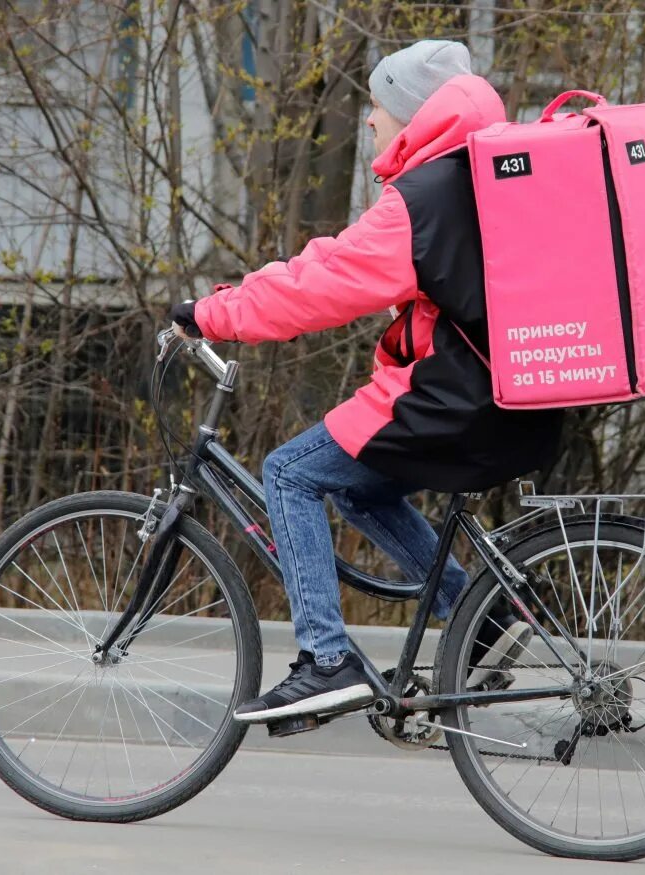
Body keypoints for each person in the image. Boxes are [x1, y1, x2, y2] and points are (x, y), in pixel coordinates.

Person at [170, 40, 564, 723]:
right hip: (511, 398)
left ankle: (326, 659)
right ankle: (483, 615)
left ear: (411, 113)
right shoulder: (472, 174)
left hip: (454, 399)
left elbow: (319, 288)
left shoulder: (426, 195)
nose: (371, 123)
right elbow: (332, 262)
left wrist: (213, 313)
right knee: (357, 489)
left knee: (290, 472)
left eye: (378, 108)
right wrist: (246, 289)